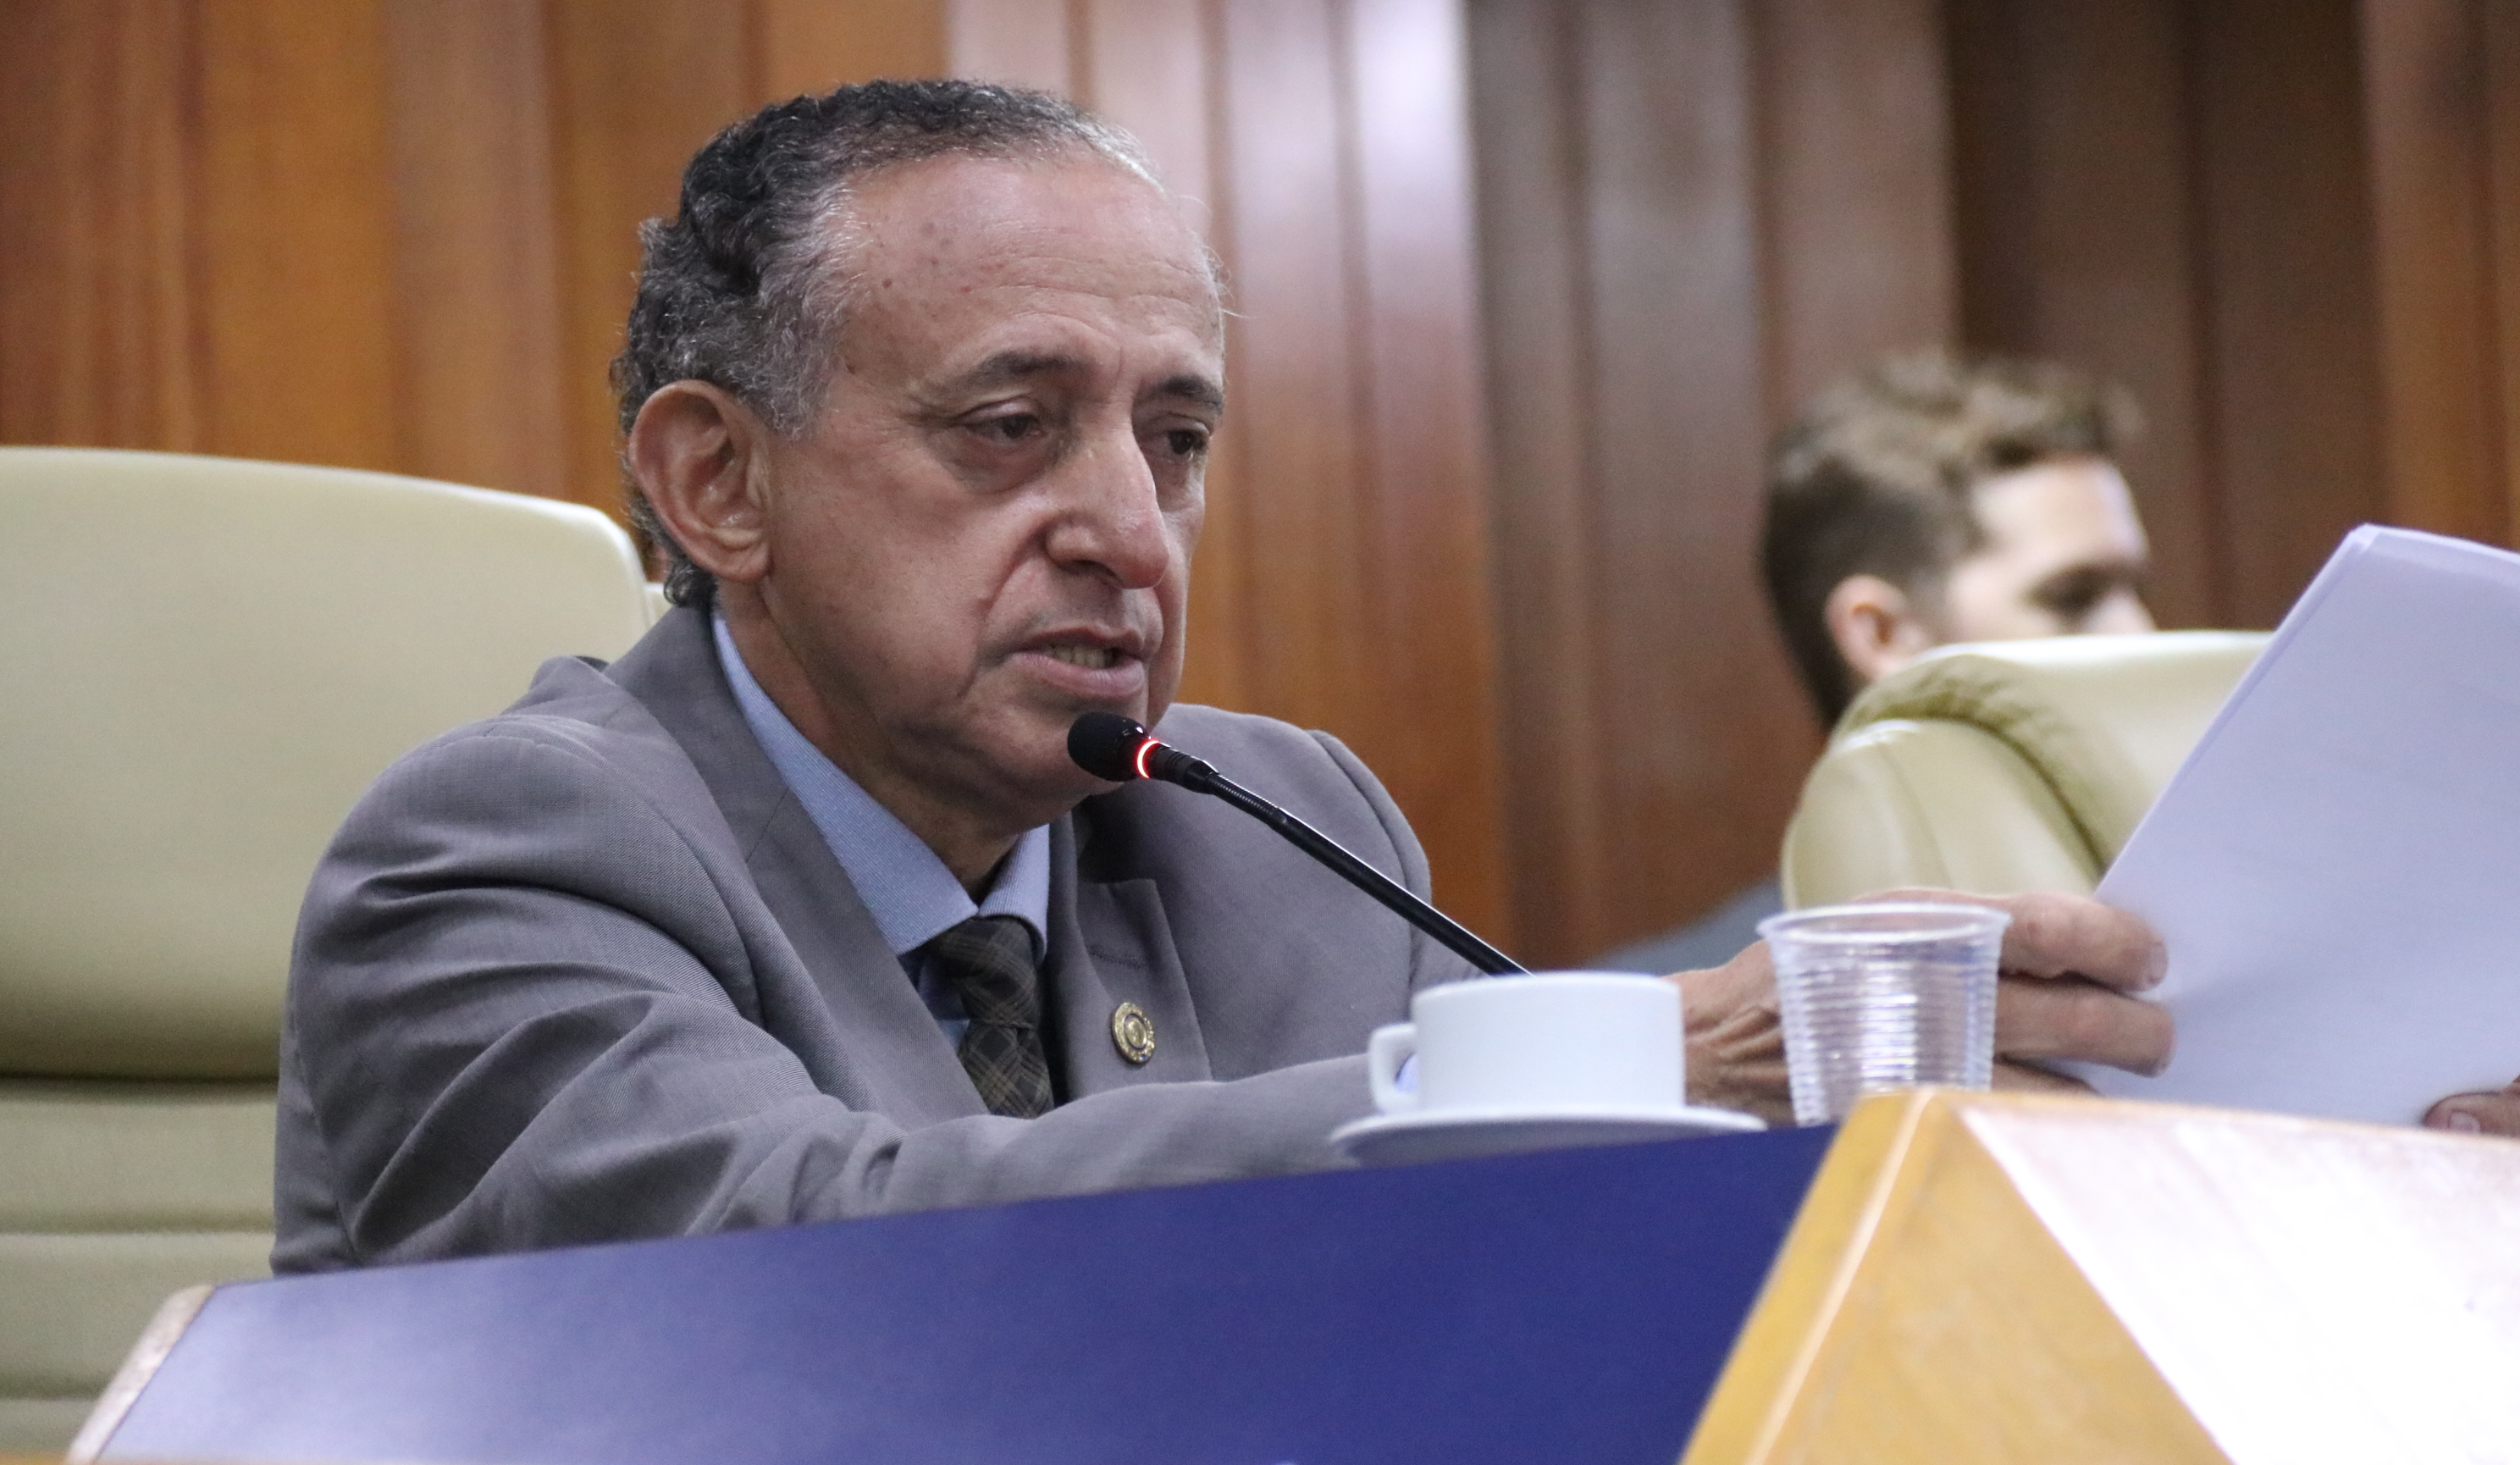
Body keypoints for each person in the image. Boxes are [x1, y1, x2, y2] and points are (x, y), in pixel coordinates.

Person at [273, 82, 2181, 1274]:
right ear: (719, 481)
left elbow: (1532, 1275)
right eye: (1010, 425)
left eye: (1175, 439)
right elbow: (790, 1262)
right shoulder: (508, 845)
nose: (1131, 526)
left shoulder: (1279, 822)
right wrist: (1633, 1061)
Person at [1599, 357, 2155, 976]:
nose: (2141, 636)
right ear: (1883, 634)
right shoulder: (1645, 1021)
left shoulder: (2194, 929)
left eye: (2138, 593)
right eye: (2073, 597)